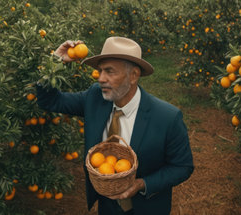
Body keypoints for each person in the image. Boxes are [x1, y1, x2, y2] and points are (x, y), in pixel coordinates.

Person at [36, 37, 194, 215]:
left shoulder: (167, 118)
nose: (101, 79)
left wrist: (142, 184)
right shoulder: (95, 97)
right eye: (100, 71)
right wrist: (55, 62)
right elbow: (50, 101)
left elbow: (183, 167)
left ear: (133, 75)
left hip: (145, 208)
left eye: (109, 72)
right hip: (106, 207)